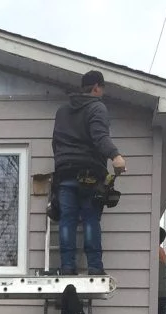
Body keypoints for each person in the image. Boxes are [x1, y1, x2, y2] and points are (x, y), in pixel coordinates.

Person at [50, 70, 126, 276]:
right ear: (96, 87)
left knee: (67, 220)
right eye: (102, 89)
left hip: (65, 173)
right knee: (91, 219)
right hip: (89, 173)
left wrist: (62, 163)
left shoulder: (62, 111)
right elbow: (99, 136)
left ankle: (67, 267)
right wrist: (115, 156)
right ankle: (94, 267)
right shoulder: (96, 107)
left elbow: (55, 143)